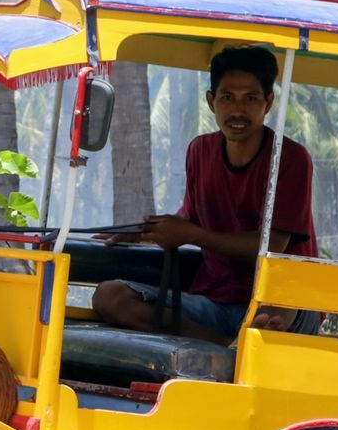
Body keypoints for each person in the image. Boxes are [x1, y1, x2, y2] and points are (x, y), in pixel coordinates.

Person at [92, 45, 318, 344]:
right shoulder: (200, 150)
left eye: (250, 98)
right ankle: (227, 349)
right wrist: (140, 234)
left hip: (278, 303)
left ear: (268, 103)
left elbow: (271, 245)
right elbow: (189, 219)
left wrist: (190, 234)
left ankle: (243, 343)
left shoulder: (291, 158)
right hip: (214, 302)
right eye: (227, 98)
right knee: (109, 296)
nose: (237, 110)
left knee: (272, 316)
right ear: (212, 101)